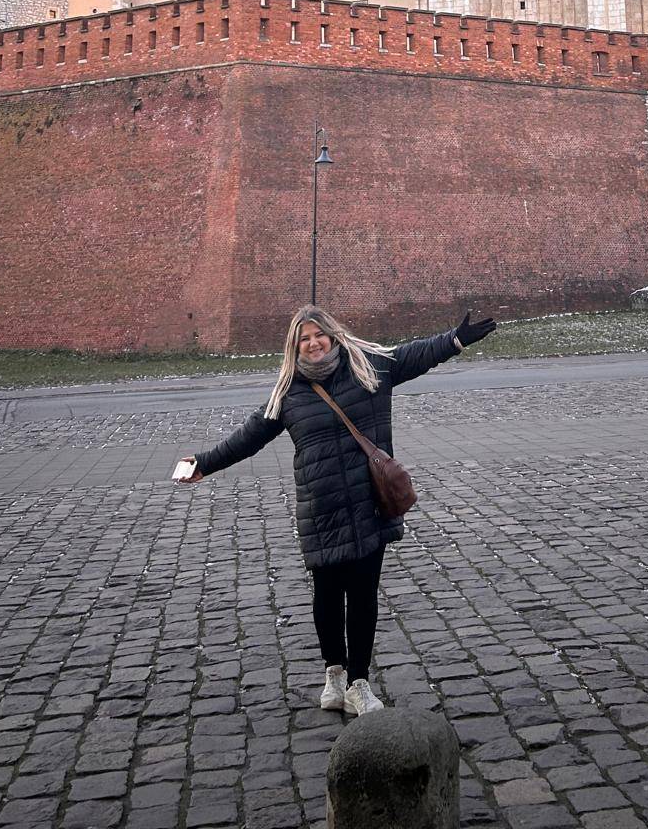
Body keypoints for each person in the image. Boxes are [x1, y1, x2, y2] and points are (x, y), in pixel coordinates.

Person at [177, 304, 497, 717]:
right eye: (303, 339)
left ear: (331, 335)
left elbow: (415, 354)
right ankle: (334, 674)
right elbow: (249, 437)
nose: (313, 344)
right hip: (322, 508)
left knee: (363, 597)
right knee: (328, 597)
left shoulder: (368, 369)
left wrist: (455, 340)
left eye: (317, 335)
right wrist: (203, 463)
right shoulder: (289, 392)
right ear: (295, 347)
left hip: (369, 502)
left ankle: (359, 684)